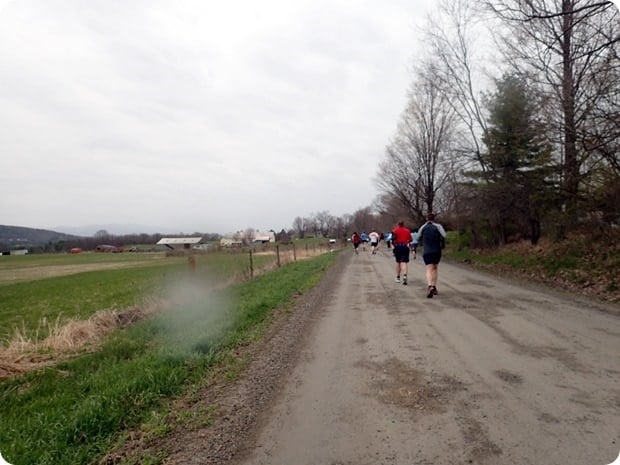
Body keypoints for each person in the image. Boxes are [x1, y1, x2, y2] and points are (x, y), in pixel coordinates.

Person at [417, 213, 447, 298]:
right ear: (434, 219)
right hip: (437, 250)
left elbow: (417, 237)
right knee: (435, 268)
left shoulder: (423, 227)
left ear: (426, 219)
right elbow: (444, 235)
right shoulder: (438, 226)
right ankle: (434, 286)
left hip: (427, 250)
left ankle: (430, 286)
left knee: (429, 269)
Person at [391, 221, 413, 285]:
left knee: (398, 262)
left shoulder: (395, 230)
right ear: (403, 224)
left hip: (397, 247)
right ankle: (405, 275)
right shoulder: (407, 231)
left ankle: (398, 277)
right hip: (405, 247)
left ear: (398, 224)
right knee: (404, 262)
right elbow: (410, 239)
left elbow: (392, 239)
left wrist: (393, 246)